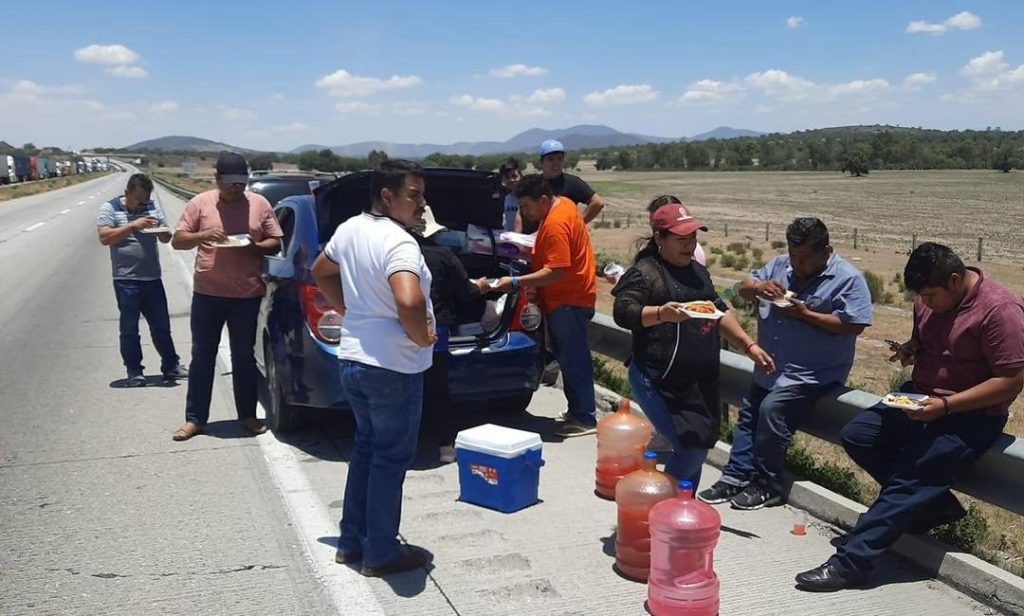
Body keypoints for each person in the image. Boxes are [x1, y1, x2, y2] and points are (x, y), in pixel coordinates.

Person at [796, 243, 1024, 592]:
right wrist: (910, 350)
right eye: (922, 297)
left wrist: (947, 407)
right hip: (920, 398)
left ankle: (851, 563)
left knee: (907, 480)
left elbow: (1011, 380)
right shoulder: (926, 301)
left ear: (954, 280)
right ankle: (933, 506)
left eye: (931, 296)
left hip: (969, 416)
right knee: (859, 435)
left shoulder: (1000, 311)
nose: (925, 304)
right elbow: (928, 342)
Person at [310, 159, 436, 577]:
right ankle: (381, 552)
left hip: (355, 360)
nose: (422, 204)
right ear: (387, 196)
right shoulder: (400, 243)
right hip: (393, 368)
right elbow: (410, 300)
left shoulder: (349, 229)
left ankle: (351, 542)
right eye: (413, 195)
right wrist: (420, 335)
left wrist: (348, 309)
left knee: (365, 450)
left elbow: (320, 270)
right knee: (389, 459)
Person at [698, 217, 872, 510]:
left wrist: (805, 314)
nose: (798, 264)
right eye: (793, 255)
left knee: (771, 411)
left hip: (811, 374)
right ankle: (736, 476)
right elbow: (743, 288)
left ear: (825, 251)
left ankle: (768, 483)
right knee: (750, 413)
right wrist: (759, 288)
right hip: (771, 367)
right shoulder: (780, 266)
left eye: (805, 258)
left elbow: (854, 324)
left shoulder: (848, 279)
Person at [613, 203, 773, 486]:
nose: (689, 245)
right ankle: (653, 509)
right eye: (681, 239)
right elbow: (623, 313)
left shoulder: (698, 272)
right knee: (691, 450)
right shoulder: (646, 273)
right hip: (657, 379)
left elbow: (718, 310)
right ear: (659, 237)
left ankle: (679, 515)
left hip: (697, 382)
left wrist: (749, 346)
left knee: (697, 446)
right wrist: (662, 313)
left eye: (692, 238)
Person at [170, 152, 283, 441]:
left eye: (241, 183)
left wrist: (255, 244)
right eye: (230, 183)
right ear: (217, 179)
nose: (236, 189)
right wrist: (202, 236)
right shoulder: (200, 204)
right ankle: (195, 419)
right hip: (208, 294)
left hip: (246, 295)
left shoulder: (259, 204)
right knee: (202, 357)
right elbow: (178, 240)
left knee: (244, 358)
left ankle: (247, 415)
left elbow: (275, 242)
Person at [494, 174, 598, 437]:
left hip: (568, 299)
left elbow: (556, 271)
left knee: (574, 359)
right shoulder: (563, 204)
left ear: (542, 199)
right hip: (573, 297)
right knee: (569, 356)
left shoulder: (555, 223)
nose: (526, 213)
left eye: (527, 207)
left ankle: (584, 417)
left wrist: (515, 282)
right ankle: (578, 410)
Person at [413, 205, 490, 463]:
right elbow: (466, 292)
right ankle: (445, 446)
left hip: (402, 332)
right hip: (436, 332)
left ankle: (406, 444)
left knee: (407, 389)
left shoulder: (397, 253)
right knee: (438, 390)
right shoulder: (443, 255)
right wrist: (481, 285)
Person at [97, 173, 187, 386]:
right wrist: (133, 226)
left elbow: (167, 237)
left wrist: (160, 230)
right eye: (139, 199)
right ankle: (134, 370)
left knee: (161, 325)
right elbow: (104, 237)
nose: (142, 204)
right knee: (129, 328)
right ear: (127, 193)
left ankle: (171, 366)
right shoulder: (110, 208)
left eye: (146, 199)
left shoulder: (151, 207)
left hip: (152, 278)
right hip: (126, 279)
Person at [604, 195, 707, 284]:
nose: (654, 229)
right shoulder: (647, 249)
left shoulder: (693, 252)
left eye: (660, 223)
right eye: (652, 223)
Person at [521, 139, 603, 234]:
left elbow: (597, 203)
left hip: (559, 239)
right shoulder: (533, 183)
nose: (556, 163)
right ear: (541, 162)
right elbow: (521, 211)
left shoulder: (572, 183)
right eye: (550, 159)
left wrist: (576, 226)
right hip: (530, 239)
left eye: (560, 158)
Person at [499, 157, 523, 233]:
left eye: (514, 176)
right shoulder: (502, 198)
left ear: (520, 176)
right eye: (507, 177)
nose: (511, 180)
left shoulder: (528, 198)